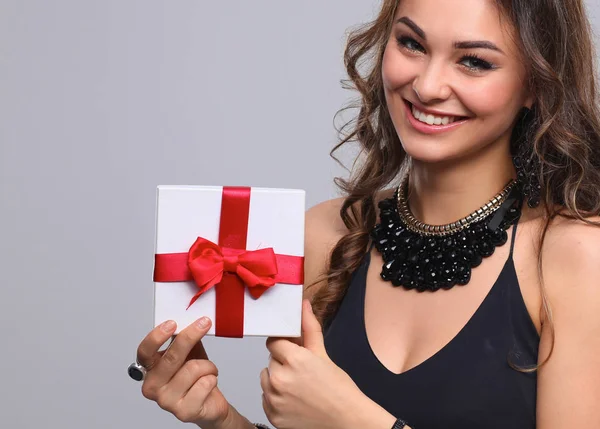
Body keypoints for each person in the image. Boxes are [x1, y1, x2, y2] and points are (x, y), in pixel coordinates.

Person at [129, 0, 600, 428]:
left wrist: (354, 420)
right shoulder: (325, 235)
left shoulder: (575, 257)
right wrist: (220, 420)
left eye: (474, 61)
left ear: (535, 84)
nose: (427, 85)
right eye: (411, 43)